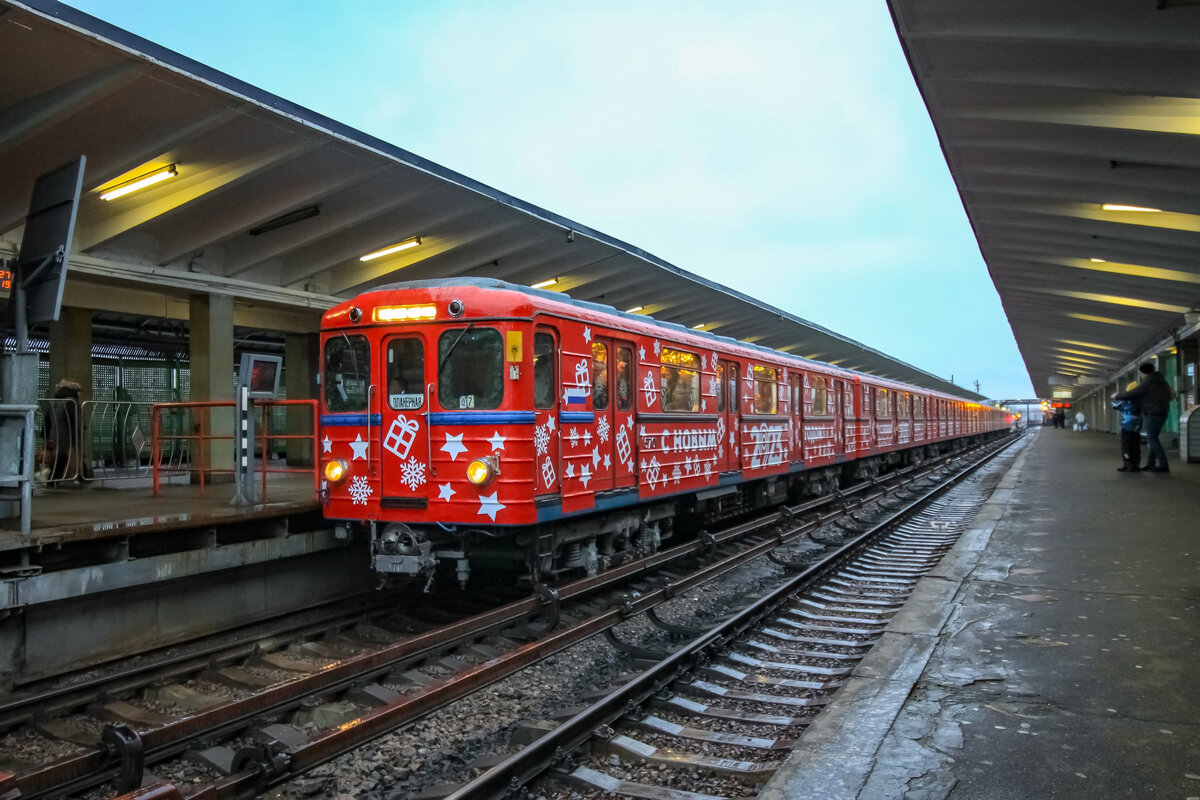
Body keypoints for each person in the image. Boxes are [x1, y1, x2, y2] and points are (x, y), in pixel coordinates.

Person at [1112, 362, 1173, 473]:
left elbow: (1133, 393)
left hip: (1152, 413)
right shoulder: (1162, 382)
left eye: (1140, 373)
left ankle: (1164, 465)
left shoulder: (1149, 382)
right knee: (1154, 439)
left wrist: (1117, 395)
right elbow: (1169, 395)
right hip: (1162, 412)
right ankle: (1151, 464)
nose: (1140, 376)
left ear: (1143, 373)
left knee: (1152, 440)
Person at [44, 378, 83, 485]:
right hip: (66, 434)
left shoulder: (54, 400)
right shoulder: (71, 401)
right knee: (62, 457)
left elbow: (47, 419)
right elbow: (72, 420)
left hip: (54, 433)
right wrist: (76, 436)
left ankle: (53, 480)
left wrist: (46, 435)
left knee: (59, 457)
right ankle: (53, 480)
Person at [1111, 380, 1142, 472]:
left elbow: (1115, 405)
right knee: (1135, 445)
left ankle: (1128, 463)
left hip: (1127, 425)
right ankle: (1136, 464)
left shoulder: (1126, 401)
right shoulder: (1141, 400)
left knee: (1126, 445)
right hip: (1137, 426)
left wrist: (1117, 396)